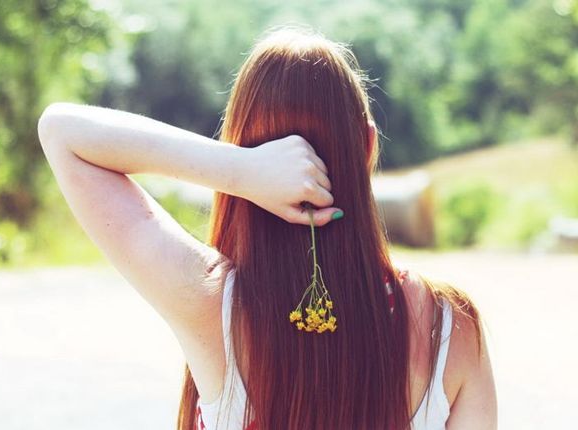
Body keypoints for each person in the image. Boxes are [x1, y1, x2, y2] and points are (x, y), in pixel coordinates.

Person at [38, 24, 496, 430]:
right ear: (370, 145)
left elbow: (63, 132)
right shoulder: (448, 327)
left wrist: (238, 170)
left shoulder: (209, 303)